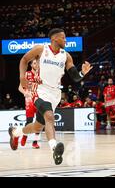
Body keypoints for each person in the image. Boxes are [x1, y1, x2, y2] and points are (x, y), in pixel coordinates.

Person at [9, 28, 92, 165]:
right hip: (40, 90)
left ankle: (16, 132)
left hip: (55, 94)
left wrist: (82, 73)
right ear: (55, 39)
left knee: (37, 127)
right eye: (63, 38)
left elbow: (75, 77)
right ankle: (54, 147)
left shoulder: (66, 56)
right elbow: (24, 60)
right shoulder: (41, 49)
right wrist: (22, 77)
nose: (66, 40)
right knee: (49, 116)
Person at [18, 59, 41, 149]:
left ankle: (35, 142)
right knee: (29, 121)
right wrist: (25, 93)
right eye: (35, 63)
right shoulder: (27, 74)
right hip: (30, 101)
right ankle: (24, 136)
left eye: (37, 63)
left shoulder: (41, 74)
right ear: (31, 65)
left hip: (39, 99)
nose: (37, 64)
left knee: (40, 122)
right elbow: (20, 87)